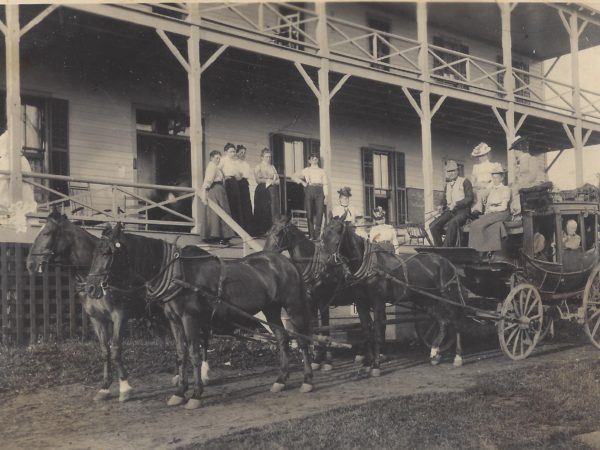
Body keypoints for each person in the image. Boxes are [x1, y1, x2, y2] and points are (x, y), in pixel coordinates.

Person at [468, 163, 511, 253]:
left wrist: (492, 209)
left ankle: (480, 251)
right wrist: (486, 205)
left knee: (478, 225)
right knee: (474, 224)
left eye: (497, 177)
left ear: (502, 178)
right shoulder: (491, 190)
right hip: (492, 213)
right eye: (493, 177)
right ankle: (475, 250)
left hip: (502, 213)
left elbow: (503, 207)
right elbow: (487, 204)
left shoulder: (506, 189)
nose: (494, 180)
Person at [429, 160, 474, 247]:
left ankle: (445, 249)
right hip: (450, 212)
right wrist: (441, 206)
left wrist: (457, 204)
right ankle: (439, 248)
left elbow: (469, 198)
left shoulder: (465, 181)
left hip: (463, 211)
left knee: (452, 223)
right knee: (432, 226)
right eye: (449, 171)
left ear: (457, 171)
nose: (451, 173)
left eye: (453, 171)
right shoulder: (447, 185)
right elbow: (444, 200)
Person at [0, 131, 37, 231]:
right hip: (11, 195)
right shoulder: (8, 160)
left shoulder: (19, 160)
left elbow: (28, 179)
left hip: (18, 194)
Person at [198, 150, 235, 246]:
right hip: (215, 190)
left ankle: (220, 236)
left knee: (219, 212)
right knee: (219, 212)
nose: (218, 160)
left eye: (219, 158)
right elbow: (208, 180)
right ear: (211, 158)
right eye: (216, 158)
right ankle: (220, 236)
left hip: (219, 190)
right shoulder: (212, 166)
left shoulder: (216, 167)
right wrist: (204, 191)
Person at [292, 153, 328, 240]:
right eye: (312, 158)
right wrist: (302, 182)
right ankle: (311, 235)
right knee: (310, 212)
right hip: (310, 189)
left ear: (318, 160)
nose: (314, 160)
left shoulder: (322, 171)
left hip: (319, 190)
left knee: (319, 213)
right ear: (309, 161)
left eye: (316, 158)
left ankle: (317, 235)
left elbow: (325, 184)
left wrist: (326, 196)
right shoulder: (306, 170)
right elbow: (293, 176)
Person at [253, 147, 280, 235]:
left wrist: (273, 181)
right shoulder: (258, 167)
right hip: (262, 189)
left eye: (269, 157)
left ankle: (271, 230)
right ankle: (261, 230)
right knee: (263, 208)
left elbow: (278, 181)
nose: (268, 159)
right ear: (262, 157)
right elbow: (257, 180)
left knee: (272, 209)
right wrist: (267, 180)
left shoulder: (272, 167)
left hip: (272, 190)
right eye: (266, 157)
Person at [220, 142, 242, 229]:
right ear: (226, 152)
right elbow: (217, 170)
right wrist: (224, 177)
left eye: (234, 152)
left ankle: (235, 228)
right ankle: (227, 228)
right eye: (231, 151)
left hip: (234, 183)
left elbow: (238, 176)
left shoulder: (235, 162)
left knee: (235, 205)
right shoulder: (223, 160)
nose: (233, 153)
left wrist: (238, 175)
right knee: (228, 204)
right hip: (227, 183)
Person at [471, 142, 496, 214]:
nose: (481, 158)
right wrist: (474, 186)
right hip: (477, 186)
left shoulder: (493, 166)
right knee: (471, 194)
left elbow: (494, 180)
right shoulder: (476, 167)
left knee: (481, 194)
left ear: (487, 154)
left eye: (483, 155)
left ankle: (478, 210)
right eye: (479, 156)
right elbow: (473, 180)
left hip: (488, 186)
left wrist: (487, 187)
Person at [236, 144, 254, 234]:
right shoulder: (234, 163)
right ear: (237, 153)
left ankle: (248, 229)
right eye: (241, 152)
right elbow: (235, 175)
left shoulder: (246, 164)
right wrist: (239, 174)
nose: (243, 154)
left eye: (244, 153)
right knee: (237, 205)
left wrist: (240, 174)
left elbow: (245, 175)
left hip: (243, 185)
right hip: (236, 185)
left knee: (246, 206)